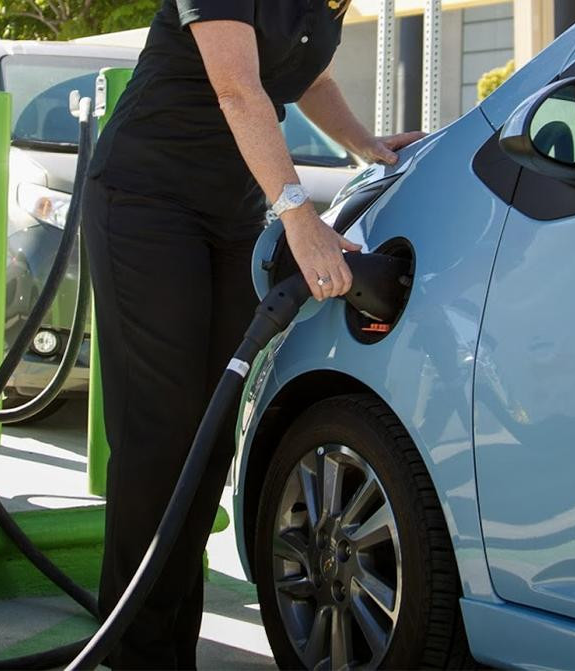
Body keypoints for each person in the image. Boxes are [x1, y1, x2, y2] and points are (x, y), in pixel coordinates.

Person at [80, 0, 424, 666]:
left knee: (208, 438)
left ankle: (164, 642)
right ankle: (138, 650)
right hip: (144, 203)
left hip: (229, 215)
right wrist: (299, 215)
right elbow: (238, 88)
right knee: (159, 435)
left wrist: (370, 147)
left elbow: (306, 78)